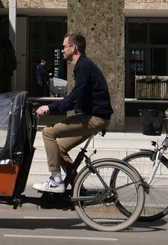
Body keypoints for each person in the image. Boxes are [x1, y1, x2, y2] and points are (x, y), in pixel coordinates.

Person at [32, 33, 112, 193]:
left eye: (64, 47)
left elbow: (75, 96)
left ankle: (55, 181)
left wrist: (50, 107)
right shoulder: (82, 65)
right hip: (93, 116)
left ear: (73, 48)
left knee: (48, 133)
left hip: (95, 118)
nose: (61, 50)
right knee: (59, 149)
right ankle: (77, 188)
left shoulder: (84, 66)